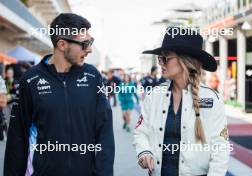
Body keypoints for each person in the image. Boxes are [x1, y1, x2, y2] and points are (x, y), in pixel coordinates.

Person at [4, 13, 115, 176]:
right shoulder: (30, 79)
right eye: (85, 43)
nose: (90, 49)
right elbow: (17, 137)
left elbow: (104, 132)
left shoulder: (93, 76)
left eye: (91, 42)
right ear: (62, 44)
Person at [134, 27, 230, 176]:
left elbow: (220, 147)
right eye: (160, 58)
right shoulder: (154, 95)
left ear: (185, 61)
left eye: (165, 58)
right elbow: (141, 132)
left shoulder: (211, 99)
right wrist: (144, 152)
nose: (161, 63)